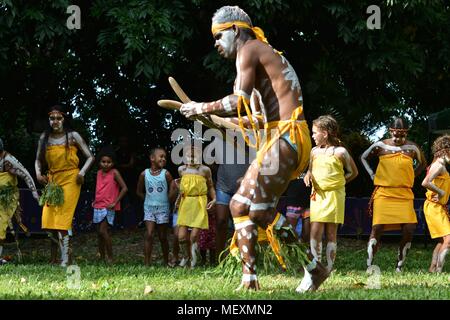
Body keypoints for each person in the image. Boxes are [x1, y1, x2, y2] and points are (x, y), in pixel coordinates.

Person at [179, 5, 329, 291]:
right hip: (283, 136)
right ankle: (250, 281)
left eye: (218, 35)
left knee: (259, 211)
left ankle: (313, 267)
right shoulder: (262, 56)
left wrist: (201, 107)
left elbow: (237, 101)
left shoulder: (250, 49)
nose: (215, 43)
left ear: (235, 30)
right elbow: (257, 118)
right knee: (239, 205)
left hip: (287, 135)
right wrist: (218, 122)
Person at [361, 117, 426, 272]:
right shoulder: (380, 146)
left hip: (404, 194)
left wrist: (412, 176)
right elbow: (363, 157)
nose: (398, 139)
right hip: (383, 193)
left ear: (406, 133)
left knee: (409, 228)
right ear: (390, 131)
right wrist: (371, 174)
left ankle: (400, 265)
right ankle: (370, 264)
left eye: (402, 135)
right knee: (377, 228)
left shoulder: (412, 148)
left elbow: (423, 163)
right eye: (395, 135)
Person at [35, 105, 94, 267]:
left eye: (58, 118)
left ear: (64, 119)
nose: (55, 121)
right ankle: (65, 255)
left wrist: (81, 173)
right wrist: (38, 174)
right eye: (52, 118)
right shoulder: (44, 138)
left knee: (63, 218)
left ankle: (65, 259)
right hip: (53, 180)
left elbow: (90, 157)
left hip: (71, 179)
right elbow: (38, 160)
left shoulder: (73, 136)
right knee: (48, 219)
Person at [304, 115, 358, 273]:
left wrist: (339, 183)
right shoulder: (314, 152)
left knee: (331, 232)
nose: (313, 136)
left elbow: (353, 172)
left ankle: (328, 267)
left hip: (334, 196)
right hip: (317, 196)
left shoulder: (340, 152)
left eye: (315, 133)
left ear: (325, 133)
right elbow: (310, 170)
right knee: (315, 230)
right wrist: (308, 175)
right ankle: (315, 266)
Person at [0, 138, 40, 264]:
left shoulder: (9, 160)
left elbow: (25, 174)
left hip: (6, 197)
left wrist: (35, 193)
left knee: (0, 225)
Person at [177, 146, 216, 268]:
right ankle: (185, 256)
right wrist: (178, 199)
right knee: (181, 236)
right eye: (189, 156)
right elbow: (182, 188)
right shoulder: (181, 170)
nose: (192, 159)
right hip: (186, 203)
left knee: (194, 236)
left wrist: (214, 199)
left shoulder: (205, 170)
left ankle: (193, 260)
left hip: (199, 202)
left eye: (194, 156)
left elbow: (210, 186)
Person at [136, 148, 176, 267]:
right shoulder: (144, 174)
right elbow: (139, 191)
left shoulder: (166, 174)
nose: (163, 159)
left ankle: (165, 261)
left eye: (165, 157)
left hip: (163, 208)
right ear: (152, 158)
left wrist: (168, 200)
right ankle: (147, 263)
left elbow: (173, 187)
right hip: (149, 208)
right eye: (161, 156)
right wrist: (149, 200)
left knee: (162, 236)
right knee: (149, 234)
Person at [92, 147, 128, 263]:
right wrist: (95, 200)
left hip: (109, 206)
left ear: (113, 163)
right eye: (103, 162)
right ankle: (102, 257)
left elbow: (124, 188)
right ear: (99, 162)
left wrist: (115, 202)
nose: (106, 164)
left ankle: (111, 257)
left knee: (103, 231)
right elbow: (100, 189)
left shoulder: (115, 173)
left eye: (109, 162)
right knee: (99, 234)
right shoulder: (98, 173)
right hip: (98, 205)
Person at [421, 135, 450, 273]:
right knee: (448, 239)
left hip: (438, 207)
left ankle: (432, 269)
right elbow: (425, 182)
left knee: (441, 240)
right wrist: (441, 192)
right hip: (434, 207)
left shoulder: (440, 165)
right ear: (445, 150)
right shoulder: (438, 165)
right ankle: (439, 271)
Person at [114, 135, 137, 229]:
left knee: (133, 201)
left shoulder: (131, 152)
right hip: (119, 180)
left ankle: (136, 222)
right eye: (121, 141)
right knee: (119, 202)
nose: (123, 143)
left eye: (125, 141)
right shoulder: (117, 152)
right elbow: (115, 165)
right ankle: (120, 224)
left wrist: (121, 166)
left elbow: (131, 164)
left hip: (130, 179)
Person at [284, 173, 311, 244]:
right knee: (290, 230)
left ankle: (305, 251)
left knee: (307, 233)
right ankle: (289, 250)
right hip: (294, 192)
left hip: (311, 194)